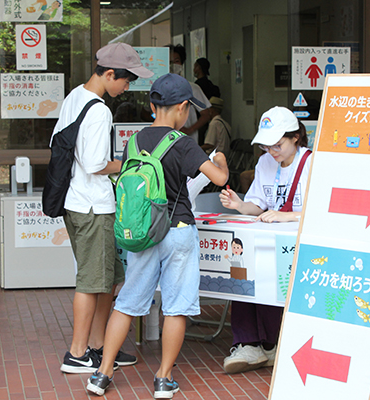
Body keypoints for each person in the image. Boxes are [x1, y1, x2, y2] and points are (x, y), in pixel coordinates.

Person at [86, 73, 229, 398]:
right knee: (176, 307)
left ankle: (102, 373)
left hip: (144, 232)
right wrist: (218, 158)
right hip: (177, 232)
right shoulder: (184, 143)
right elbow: (219, 179)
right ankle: (164, 378)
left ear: (152, 106)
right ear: (183, 108)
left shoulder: (133, 142)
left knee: (127, 304)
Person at [53, 43, 153, 375]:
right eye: (126, 81)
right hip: (92, 206)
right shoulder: (98, 110)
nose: (128, 87)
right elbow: (96, 163)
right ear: (109, 74)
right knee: (92, 281)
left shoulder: (73, 98)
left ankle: (98, 347)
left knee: (107, 279)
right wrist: (128, 164)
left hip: (79, 202)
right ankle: (78, 353)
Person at [219, 106, 312, 373]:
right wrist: (239, 204)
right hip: (267, 240)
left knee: (273, 282)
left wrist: (288, 216)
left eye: (277, 145)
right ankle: (249, 344)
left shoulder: (312, 162)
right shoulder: (265, 163)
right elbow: (257, 207)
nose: (272, 152)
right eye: (266, 146)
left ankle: (269, 345)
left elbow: (319, 211)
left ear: (295, 137)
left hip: (294, 247)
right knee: (244, 272)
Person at [168, 44, 211, 145]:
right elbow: (148, 113)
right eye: (170, 62)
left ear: (182, 63)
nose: (173, 65)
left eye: (177, 61)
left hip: (187, 142)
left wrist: (190, 129)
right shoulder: (158, 88)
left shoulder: (192, 88)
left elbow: (206, 114)